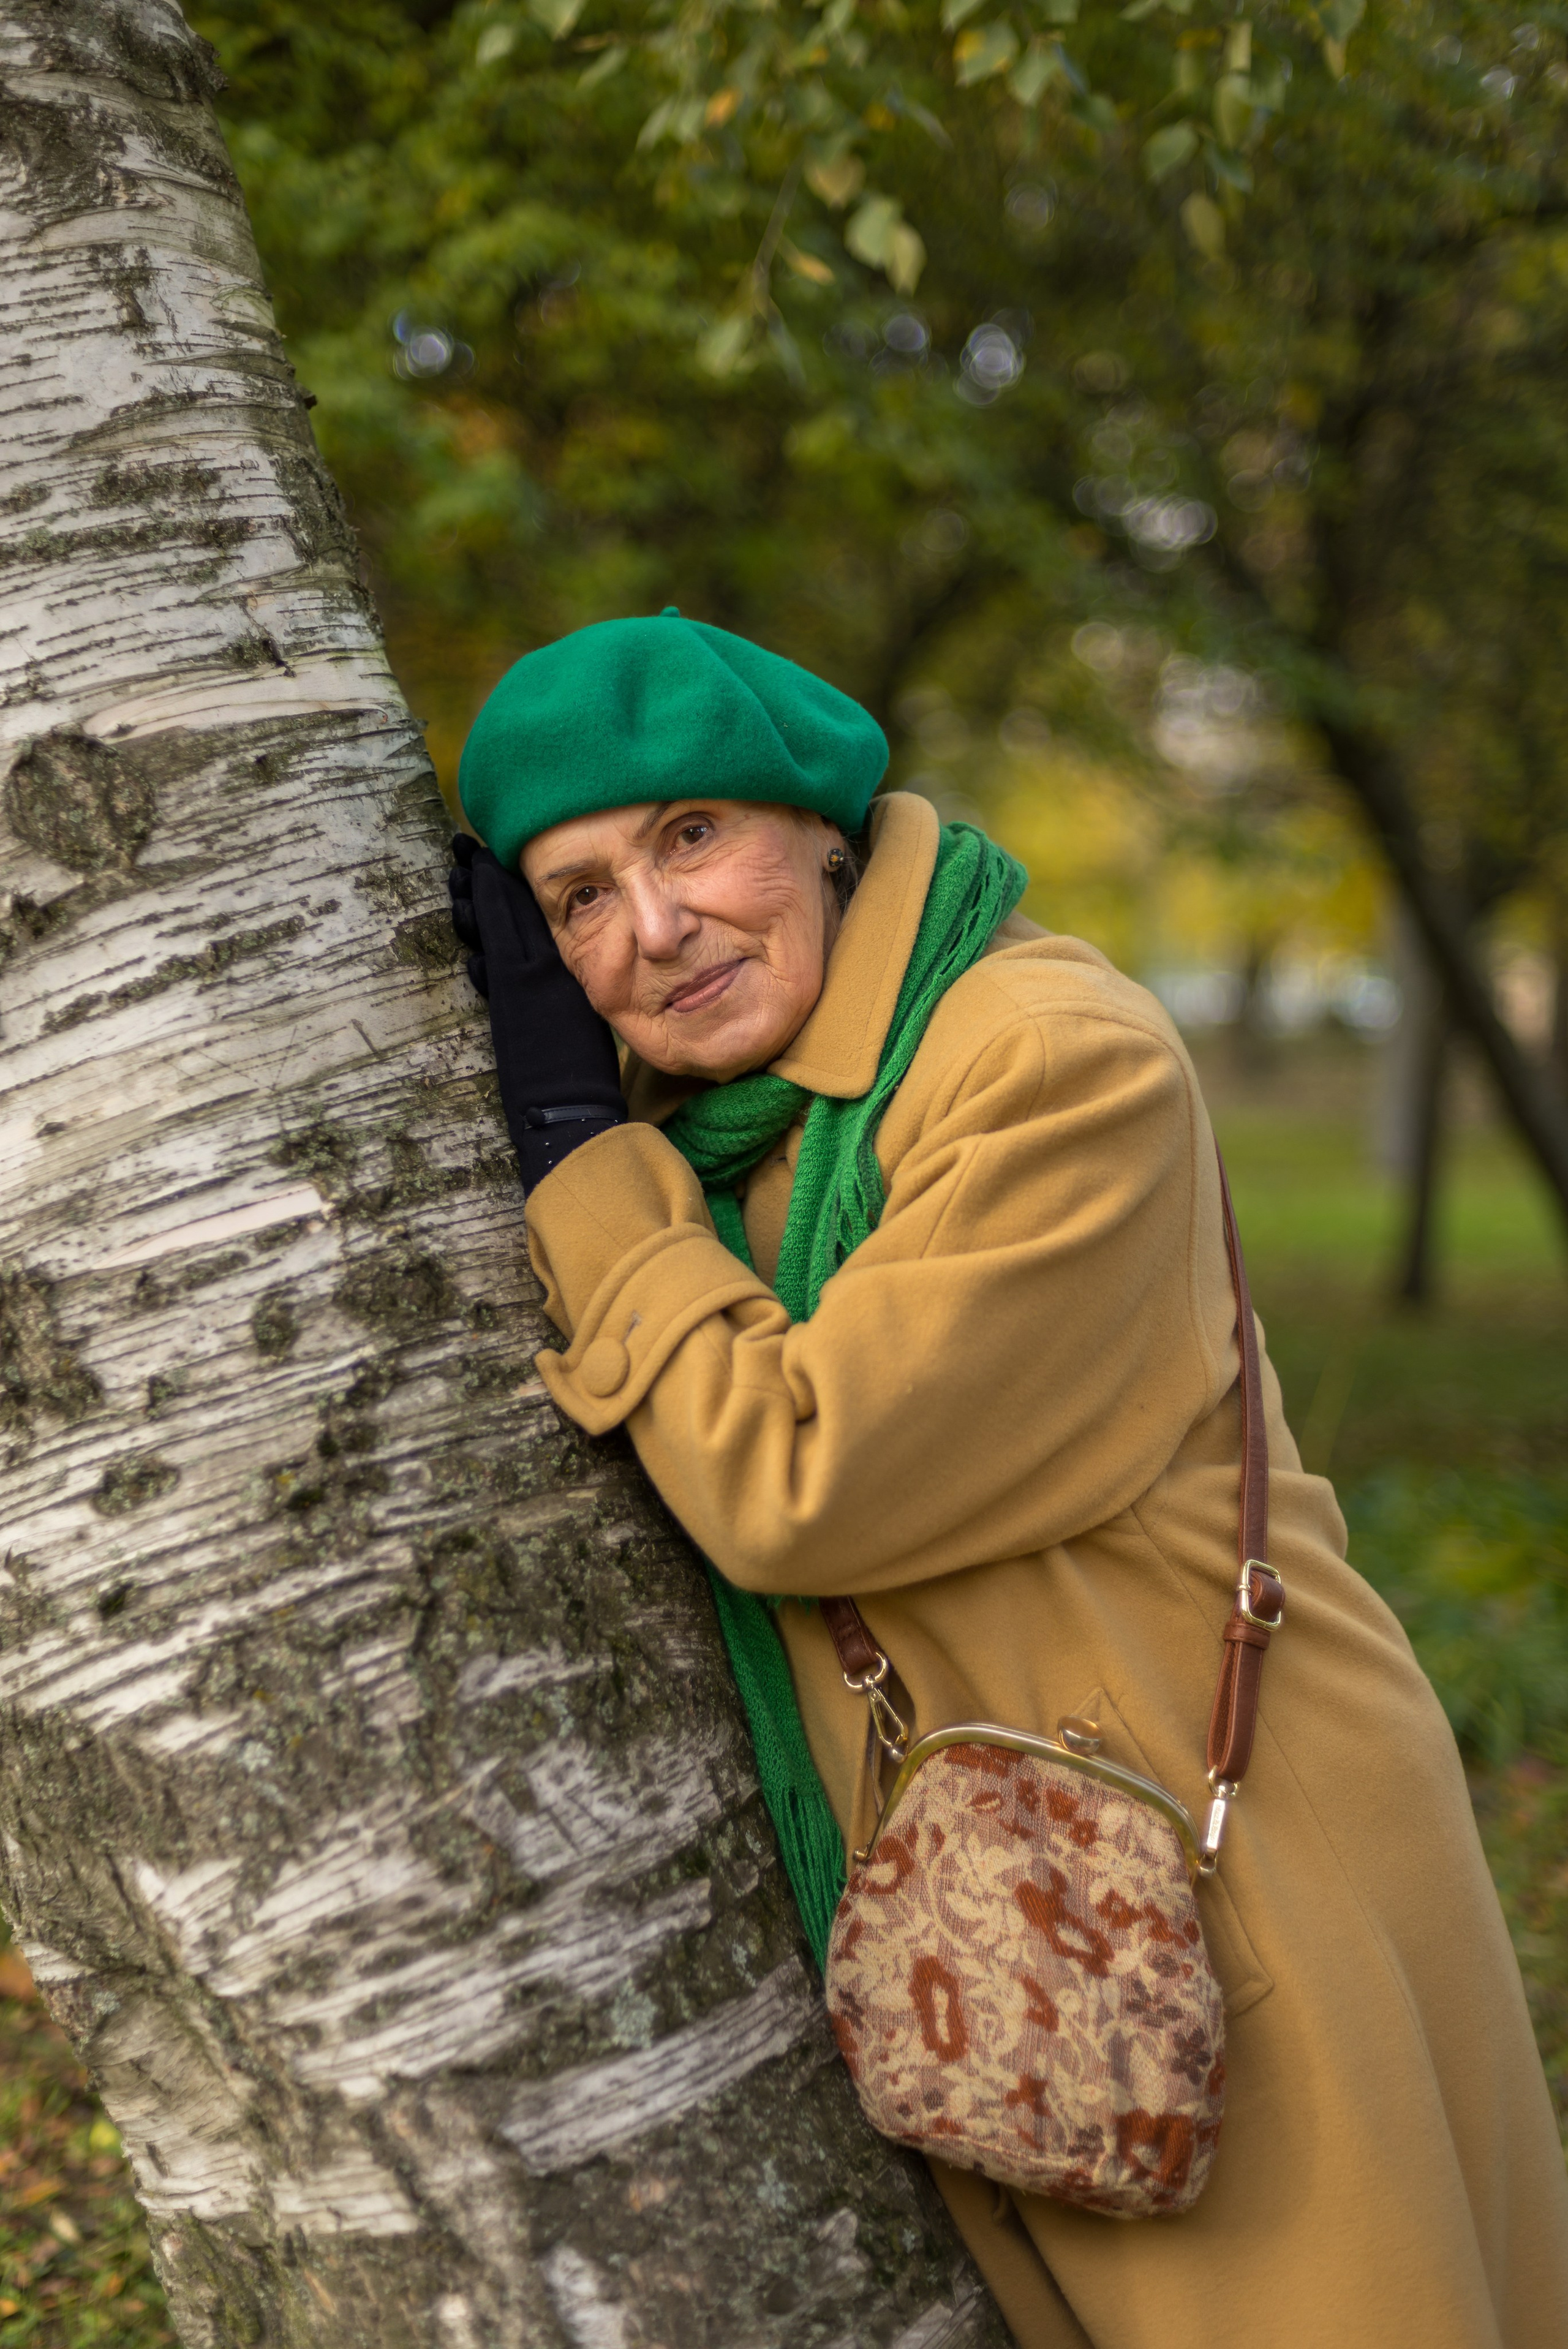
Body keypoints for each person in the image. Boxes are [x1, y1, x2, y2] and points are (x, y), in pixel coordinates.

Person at [448, 608, 1568, 2349]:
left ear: (825, 829)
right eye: (580, 896)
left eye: (692, 836)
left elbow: (798, 1480)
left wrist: (577, 1156)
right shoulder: (732, 1133)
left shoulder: (1049, 1062)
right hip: (1023, 1921)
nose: (655, 928)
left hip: (1213, 1890)